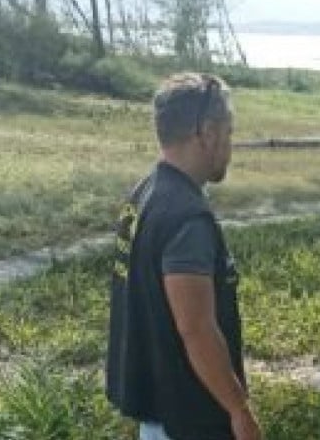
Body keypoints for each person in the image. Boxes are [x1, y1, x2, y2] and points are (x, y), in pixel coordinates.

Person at [106, 73, 263, 440]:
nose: (229, 145)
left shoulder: (143, 195)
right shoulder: (187, 217)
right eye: (228, 133)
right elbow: (196, 329)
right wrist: (239, 410)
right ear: (207, 133)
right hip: (189, 419)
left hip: (157, 413)